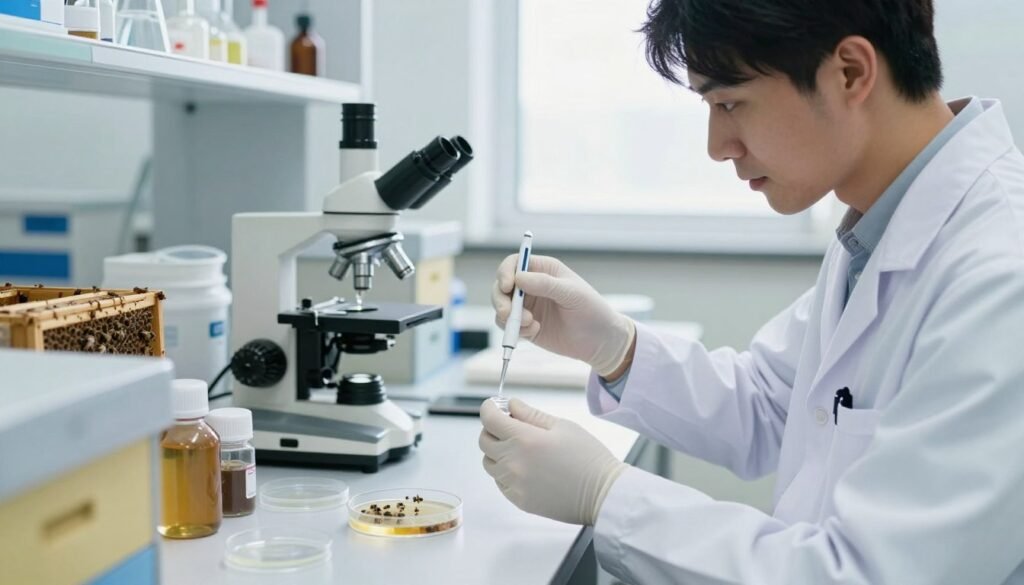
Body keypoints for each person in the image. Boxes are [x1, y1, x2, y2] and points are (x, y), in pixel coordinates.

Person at [477, 0, 1024, 583]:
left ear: (850, 73)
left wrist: (607, 494)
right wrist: (615, 347)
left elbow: (867, 573)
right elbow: (771, 403)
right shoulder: (881, 225)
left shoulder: (999, 276)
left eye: (729, 102)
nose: (717, 145)